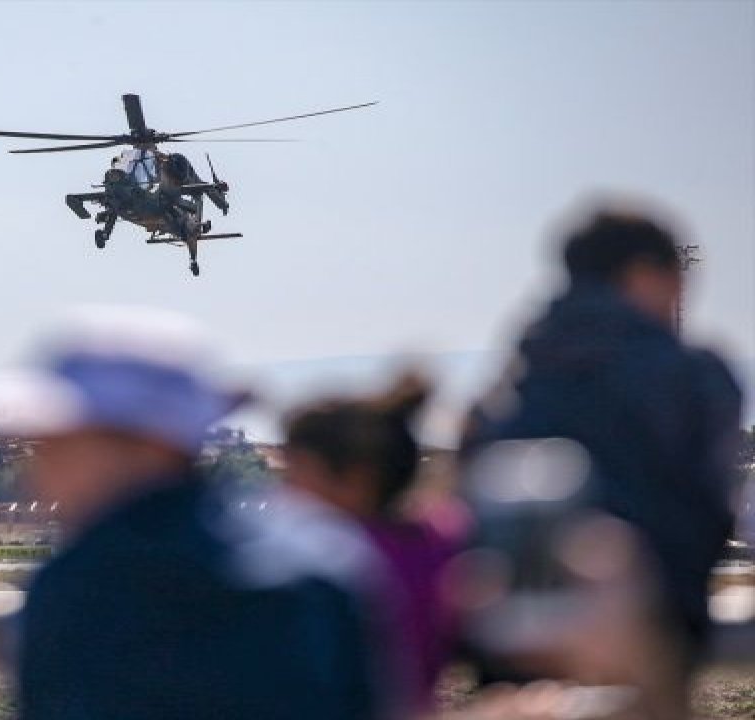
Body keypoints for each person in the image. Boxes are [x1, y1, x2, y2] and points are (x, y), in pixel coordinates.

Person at [0, 305, 382, 720]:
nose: (40, 469)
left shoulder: (81, 583)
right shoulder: (325, 558)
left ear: (150, 445)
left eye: (61, 445)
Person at [462, 205, 744, 698]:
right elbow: (710, 508)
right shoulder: (693, 377)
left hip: (518, 657)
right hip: (647, 644)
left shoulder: (508, 388)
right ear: (644, 274)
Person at [283, 374, 464, 714]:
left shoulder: (330, 562)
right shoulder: (442, 543)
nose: (285, 491)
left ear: (357, 480)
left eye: (297, 472)